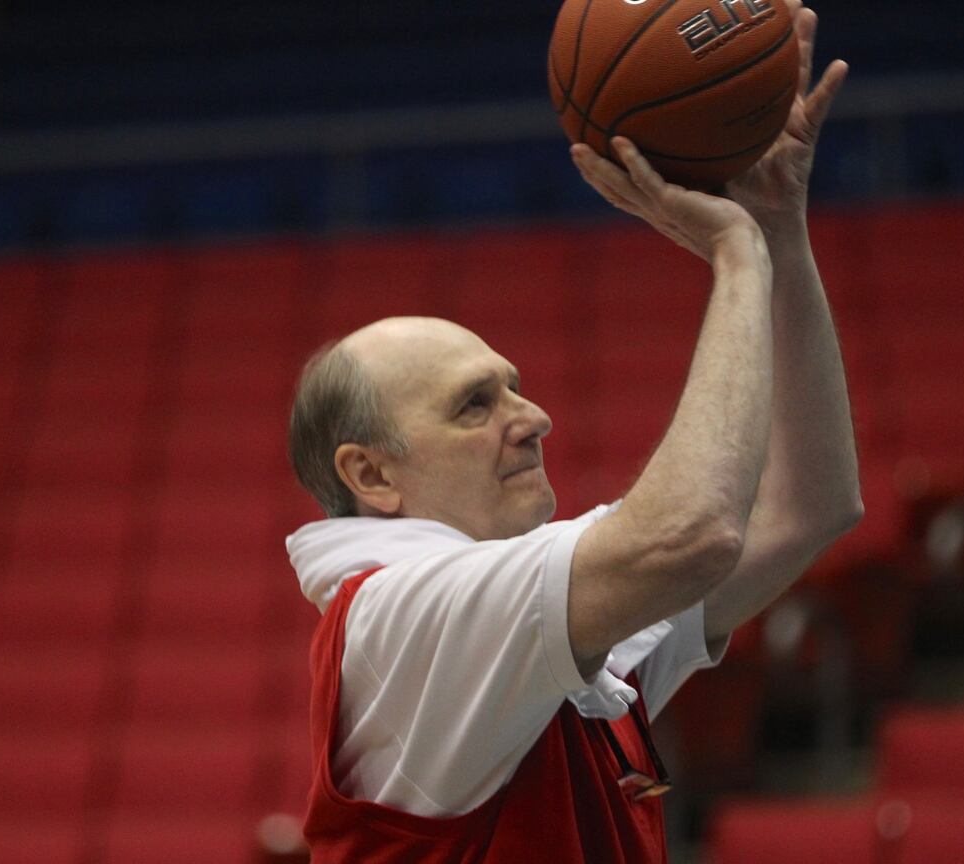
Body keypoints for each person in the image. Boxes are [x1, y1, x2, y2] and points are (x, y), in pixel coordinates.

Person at [284, 2, 858, 859]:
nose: (535, 417)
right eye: (475, 404)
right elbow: (691, 535)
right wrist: (736, 257)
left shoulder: (530, 619)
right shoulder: (404, 620)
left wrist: (778, 230)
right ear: (371, 476)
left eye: (515, 388)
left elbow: (806, 511)